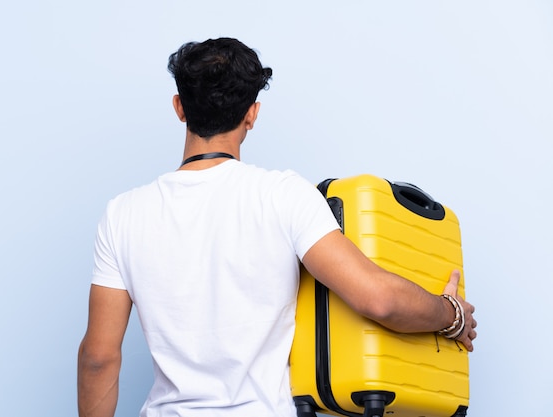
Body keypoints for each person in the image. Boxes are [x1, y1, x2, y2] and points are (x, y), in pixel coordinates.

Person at [77, 37, 477, 417]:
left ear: (179, 107)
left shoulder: (123, 213)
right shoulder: (283, 195)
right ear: (252, 114)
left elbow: (99, 357)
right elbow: (378, 299)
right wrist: (451, 313)